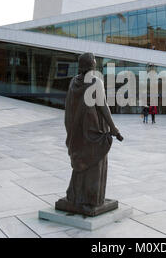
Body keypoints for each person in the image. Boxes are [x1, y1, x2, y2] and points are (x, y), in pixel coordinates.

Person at [58, 52, 123, 216]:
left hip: (78, 132)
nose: (96, 62)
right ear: (91, 64)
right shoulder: (96, 82)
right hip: (94, 132)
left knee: (81, 162)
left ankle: (75, 197)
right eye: (94, 60)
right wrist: (113, 128)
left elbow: (69, 108)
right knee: (95, 163)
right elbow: (103, 107)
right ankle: (92, 199)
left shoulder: (74, 82)